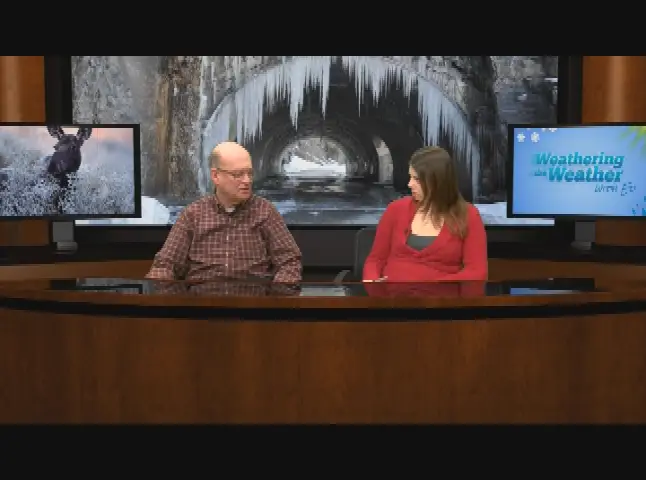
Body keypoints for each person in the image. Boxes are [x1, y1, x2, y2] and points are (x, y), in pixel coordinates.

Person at [146, 141, 302, 283]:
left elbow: (289, 262)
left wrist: (279, 295)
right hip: (201, 299)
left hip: (253, 300)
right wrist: (159, 294)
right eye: (238, 174)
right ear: (216, 176)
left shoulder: (265, 212)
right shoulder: (193, 214)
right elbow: (166, 264)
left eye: (249, 173)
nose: (247, 180)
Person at [363, 146, 488, 283]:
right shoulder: (395, 209)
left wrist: (433, 286)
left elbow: (476, 272)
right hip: (392, 294)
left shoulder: (468, 215)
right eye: (410, 177)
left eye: (417, 179)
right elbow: (375, 260)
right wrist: (372, 282)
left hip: (442, 295)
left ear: (437, 181)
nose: (409, 184)